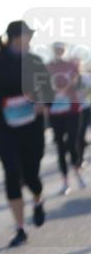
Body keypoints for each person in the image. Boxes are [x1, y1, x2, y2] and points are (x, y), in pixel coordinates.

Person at [0, 21, 55, 247]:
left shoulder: (35, 61)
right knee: (11, 173)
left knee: (31, 175)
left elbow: (48, 91)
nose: (29, 38)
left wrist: (43, 103)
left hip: (32, 125)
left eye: (30, 35)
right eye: (26, 34)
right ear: (14, 37)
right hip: (6, 125)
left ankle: (38, 200)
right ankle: (20, 228)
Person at [45, 41, 86, 194]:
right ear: (53, 50)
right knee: (60, 146)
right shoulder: (47, 67)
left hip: (72, 109)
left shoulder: (72, 66)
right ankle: (65, 181)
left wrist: (73, 83)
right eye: (56, 49)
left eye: (61, 49)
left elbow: (81, 85)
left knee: (72, 143)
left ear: (65, 50)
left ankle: (78, 173)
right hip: (55, 111)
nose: (59, 52)